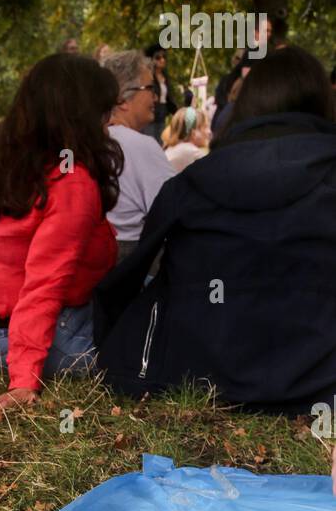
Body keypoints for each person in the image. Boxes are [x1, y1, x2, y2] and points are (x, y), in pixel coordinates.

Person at [95, 47, 336, 414]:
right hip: (321, 378)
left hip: (201, 370)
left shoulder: (192, 182)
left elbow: (134, 272)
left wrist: (110, 335)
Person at [0, 54, 122, 415]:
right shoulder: (72, 180)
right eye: (103, 111)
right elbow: (44, 285)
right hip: (44, 345)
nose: (109, 122)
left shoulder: (7, 164)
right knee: (151, 330)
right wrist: (23, 382)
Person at [104, 49, 174, 258]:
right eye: (150, 88)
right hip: (134, 267)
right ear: (122, 99)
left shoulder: (85, 141)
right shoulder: (140, 146)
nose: (155, 96)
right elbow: (176, 213)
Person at [142, 43, 177, 143]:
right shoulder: (147, 76)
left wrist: (177, 112)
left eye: (164, 57)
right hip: (151, 114)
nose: (162, 60)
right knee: (150, 142)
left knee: (160, 143)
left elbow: (168, 99)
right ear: (151, 59)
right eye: (158, 57)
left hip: (162, 114)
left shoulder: (165, 77)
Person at [161, 106, 210, 171]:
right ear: (194, 132)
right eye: (205, 127)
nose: (209, 132)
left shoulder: (172, 148)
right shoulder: (190, 151)